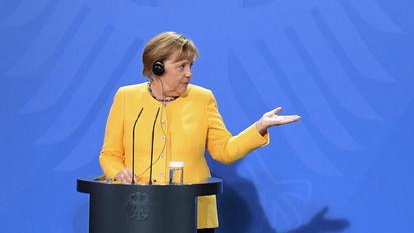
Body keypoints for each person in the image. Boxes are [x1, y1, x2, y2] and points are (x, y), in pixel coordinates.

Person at [99, 31, 301, 233]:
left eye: (190, 66)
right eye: (181, 67)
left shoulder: (202, 98)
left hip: (194, 213)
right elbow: (110, 154)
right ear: (158, 68)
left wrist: (259, 127)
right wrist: (118, 172)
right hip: (139, 211)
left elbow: (225, 150)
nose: (189, 73)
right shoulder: (126, 97)